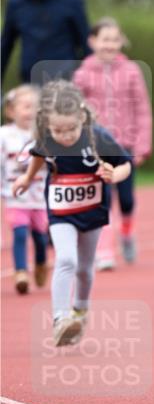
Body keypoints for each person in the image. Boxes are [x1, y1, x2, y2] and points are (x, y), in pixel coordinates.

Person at [11, 80, 132, 346]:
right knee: (66, 259)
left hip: (92, 212)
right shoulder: (45, 137)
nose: (64, 136)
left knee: (86, 269)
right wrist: (27, 179)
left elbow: (125, 165)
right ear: (47, 124)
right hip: (61, 211)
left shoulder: (98, 137)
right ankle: (60, 319)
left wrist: (114, 174)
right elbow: (38, 156)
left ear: (82, 118)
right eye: (58, 131)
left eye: (70, 129)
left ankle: (80, 308)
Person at [73, 17, 153, 269]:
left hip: (125, 145)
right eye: (104, 39)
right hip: (95, 147)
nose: (110, 45)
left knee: (126, 199)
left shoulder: (131, 71)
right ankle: (104, 251)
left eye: (114, 40)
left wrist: (142, 144)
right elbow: (75, 110)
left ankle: (127, 231)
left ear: (121, 42)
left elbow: (142, 108)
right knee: (102, 198)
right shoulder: (82, 73)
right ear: (92, 41)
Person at [1, 0, 91, 86]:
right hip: (30, 85)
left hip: (66, 85)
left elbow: (87, 45)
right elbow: (5, 47)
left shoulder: (72, 1)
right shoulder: (15, 4)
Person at [0, 85, 49, 294]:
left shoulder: (44, 134)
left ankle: (40, 262)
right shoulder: (3, 135)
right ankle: (20, 272)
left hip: (40, 196)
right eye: (25, 106)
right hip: (14, 195)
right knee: (19, 233)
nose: (30, 111)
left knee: (40, 237)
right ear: (11, 111)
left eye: (34, 107)